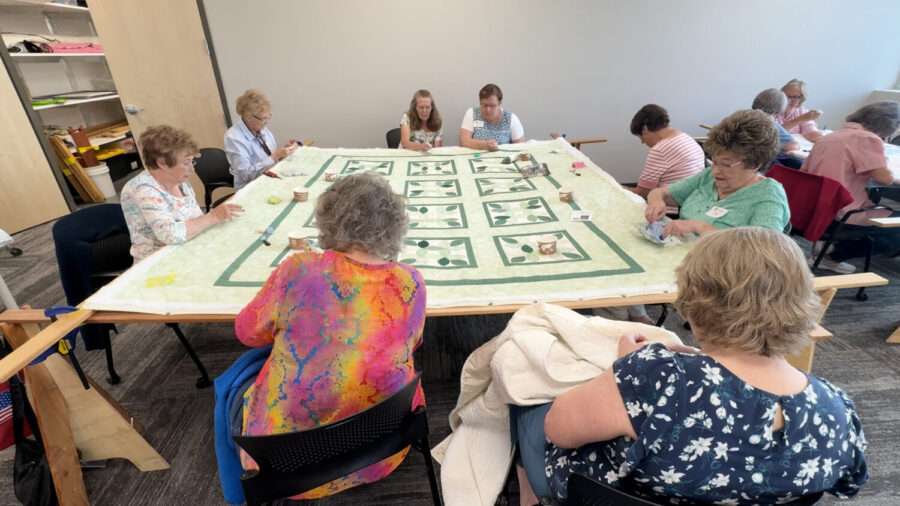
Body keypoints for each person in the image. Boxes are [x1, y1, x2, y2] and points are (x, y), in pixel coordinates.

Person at [511, 227, 868, 505]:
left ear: (694, 300)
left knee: (522, 392)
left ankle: (527, 494)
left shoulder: (657, 374)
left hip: (616, 495)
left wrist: (626, 368)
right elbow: (849, 481)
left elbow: (558, 430)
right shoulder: (836, 405)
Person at [233, 172, 427, 500]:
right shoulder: (410, 281)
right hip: (382, 449)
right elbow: (413, 343)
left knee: (240, 381)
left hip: (288, 464)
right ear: (394, 223)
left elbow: (247, 334)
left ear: (329, 220)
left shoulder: (298, 270)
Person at [645, 109, 790, 238]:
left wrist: (701, 227)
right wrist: (657, 202)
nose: (715, 171)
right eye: (714, 161)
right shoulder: (708, 176)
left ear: (755, 164)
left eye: (727, 164)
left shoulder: (769, 196)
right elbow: (659, 193)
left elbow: (764, 253)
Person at [801, 101, 900, 273]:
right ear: (890, 124)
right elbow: (884, 178)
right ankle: (833, 255)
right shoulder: (868, 139)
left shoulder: (830, 136)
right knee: (895, 226)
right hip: (843, 211)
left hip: (817, 208)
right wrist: (885, 163)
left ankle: (829, 245)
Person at [120, 125, 242, 262]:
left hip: (189, 249)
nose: (192, 169)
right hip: (158, 262)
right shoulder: (142, 189)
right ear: (162, 163)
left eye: (192, 161)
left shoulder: (180, 182)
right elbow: (170, 234)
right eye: (186, 163)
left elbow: (196, 218)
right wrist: (212, 216)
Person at [224, 89, 298, 190]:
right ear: (248, 117)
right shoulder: (233, 138)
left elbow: (269, 156)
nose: (266, 122)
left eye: (268, 117)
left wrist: (284, 151)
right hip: (250, 188)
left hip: (270, 179)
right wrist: (275, 157)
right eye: (263, 118)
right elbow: (246, 175)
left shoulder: (260, 127)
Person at [629, 104, 705, 198]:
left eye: (641, 137)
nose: (642, 142)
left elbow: (642, 193)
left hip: (672, 205)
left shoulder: (660, 150)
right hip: (693, 198)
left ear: (645, 129)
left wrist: (615, 188)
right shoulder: (686, 138)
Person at [460, 83, 524, 151]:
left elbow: (520, 147)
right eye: (484, 105)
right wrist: (485, 145)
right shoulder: (472, 113)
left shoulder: (511, 119)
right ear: (480, 103)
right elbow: (464, 142)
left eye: (492, 106)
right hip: (476, 157)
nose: (488, 110)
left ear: (499, 104)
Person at [752, 88, 803, 168]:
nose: (792, 100)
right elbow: (792, 146)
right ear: (780, 109)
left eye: (797, 97)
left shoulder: (742, 117)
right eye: (789, 97)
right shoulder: (769, 122)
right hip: (764, 167)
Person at [775, 79, 824, 143]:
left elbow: (811, 131)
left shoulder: (802, 111)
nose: (790, 100)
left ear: (802, 99)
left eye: (795, 97)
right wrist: (799, 119)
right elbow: (775, 133)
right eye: (788, 96)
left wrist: (822, 138)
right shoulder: (773, 110)